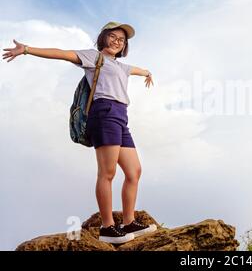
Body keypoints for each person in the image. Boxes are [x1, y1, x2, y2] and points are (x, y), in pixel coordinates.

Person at [2, 21, 156, 244]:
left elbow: (137, 70)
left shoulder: (122, 67)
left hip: (121, 115)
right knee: (108, 172)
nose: (117, 41)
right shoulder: (93, 57)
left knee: (134, 171)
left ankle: (129, 222)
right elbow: (62, 54)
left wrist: (147, 73)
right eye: (113, 36)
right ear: (103, 37)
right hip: (104, 113)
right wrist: (27, 49)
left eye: (121, 40)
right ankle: (107, 228)